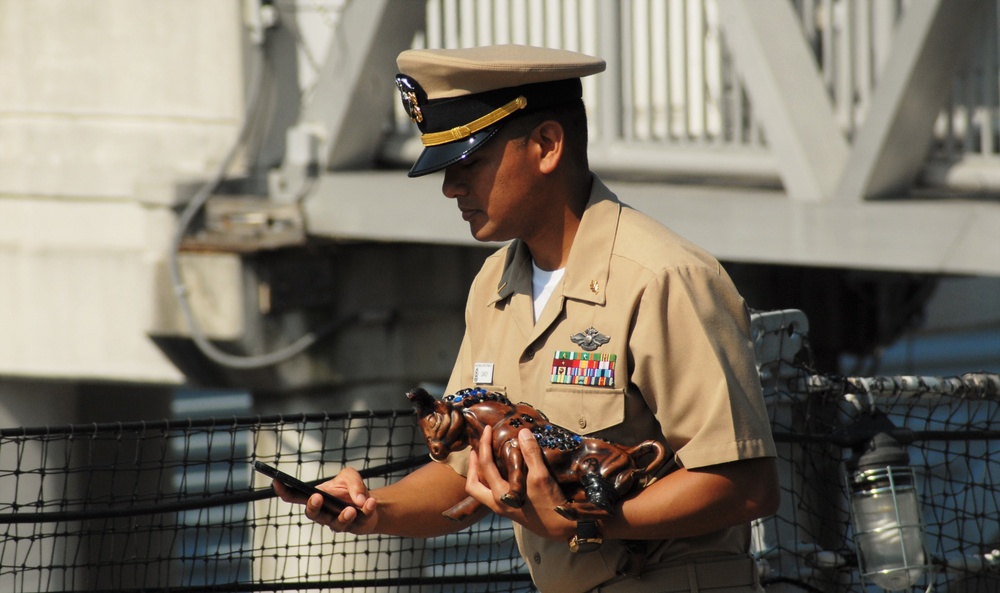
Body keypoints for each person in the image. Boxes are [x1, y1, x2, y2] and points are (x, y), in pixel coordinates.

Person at [275, 44, 780, 593]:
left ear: (546, 146)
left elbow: (746, 484)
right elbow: (465, 474)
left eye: (468, 161)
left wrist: (584, 523)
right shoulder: (493, 285)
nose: (450, 187)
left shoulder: (663, 278)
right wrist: (373, 508)